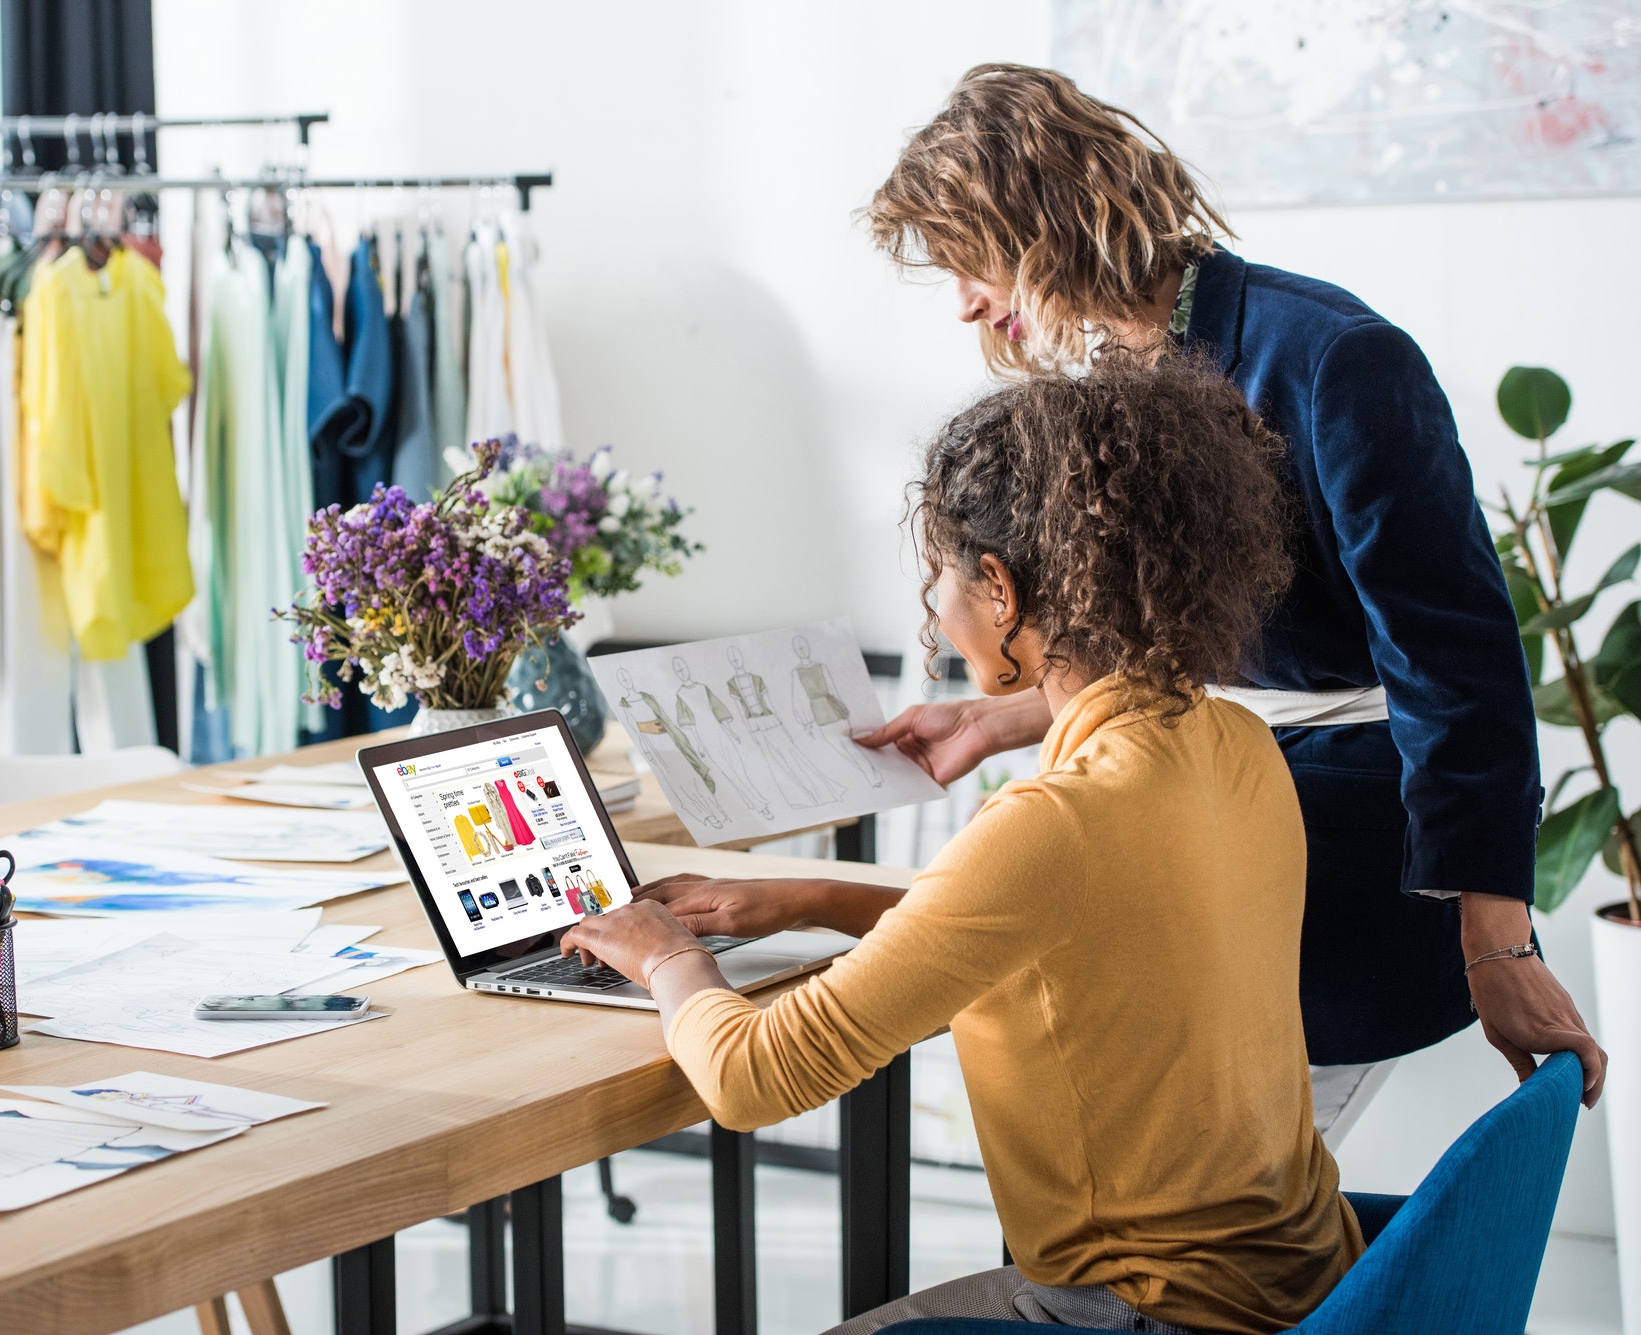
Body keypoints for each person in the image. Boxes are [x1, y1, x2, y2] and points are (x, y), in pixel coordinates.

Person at [854, 63, 1603, 1110]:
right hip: (1224, 787)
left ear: (1038, 219)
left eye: (966, 262)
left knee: (1228, 1188)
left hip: (1347, 822)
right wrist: (1002, 720)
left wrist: (1496, 939)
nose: (967, 303)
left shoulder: (1337, 360)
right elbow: (1192, 640)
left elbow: (1455, 662)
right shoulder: (1112, 379)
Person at [567, 360, 1355, 1332]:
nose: (934, 602)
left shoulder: (1052, 827)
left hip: (1151, 1312)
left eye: (938, 572)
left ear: (999, 589)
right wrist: (813, 900)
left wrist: (666, 956)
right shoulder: (1232, 743)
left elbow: (751, 1077)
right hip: (1306, 1285)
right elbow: (1079, 941)